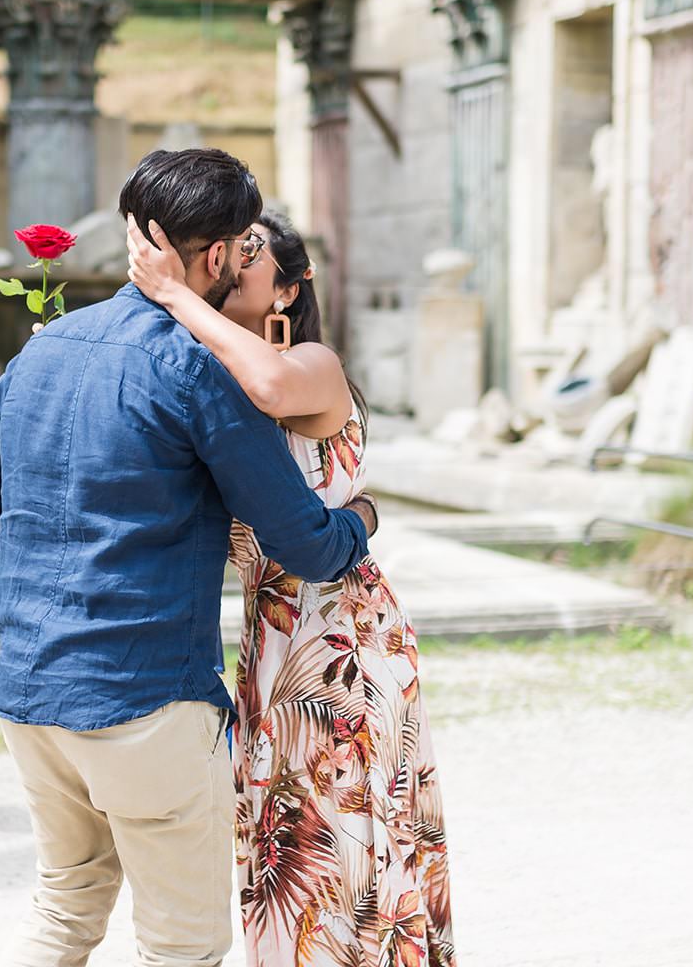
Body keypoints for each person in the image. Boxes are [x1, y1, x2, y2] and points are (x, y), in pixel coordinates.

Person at [0, 148, 379, 966]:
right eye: (243, 247)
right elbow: (305, 543)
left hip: (29, 690)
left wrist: (40, 569)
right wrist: (364, 522)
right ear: (214, 257)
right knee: (180, 947)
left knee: (63, 911)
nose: (246, 260)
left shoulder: (46, 348)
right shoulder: (196, 369)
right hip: (145, 705)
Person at [127, 208, 457, 967]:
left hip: (342, 637)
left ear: (284, 290)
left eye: (249, 255)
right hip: (268, 637)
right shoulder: (203, 375)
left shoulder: (311, 362)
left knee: (345, 839)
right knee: (284, 848)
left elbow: (272, 385)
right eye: (229, 251)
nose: (229, 263)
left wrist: (172, 296)